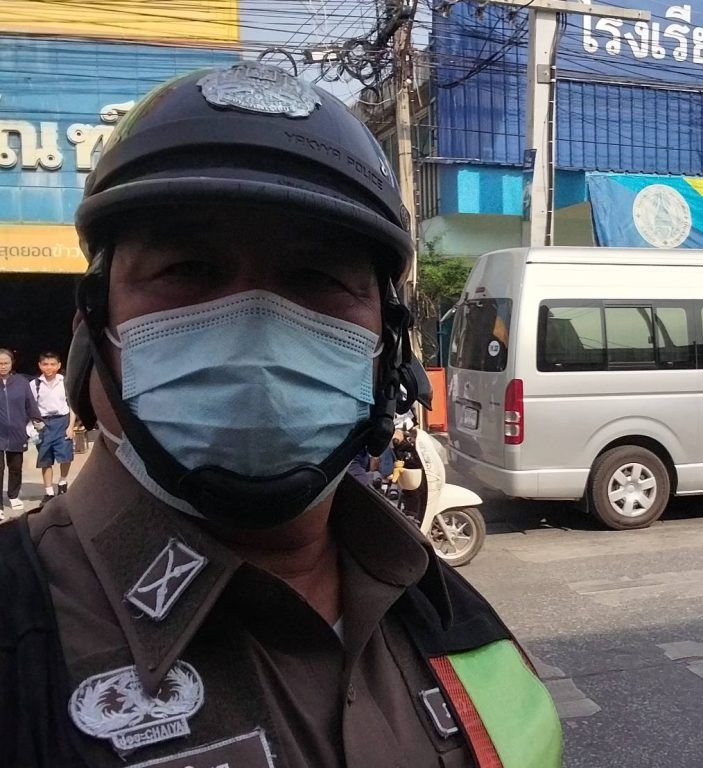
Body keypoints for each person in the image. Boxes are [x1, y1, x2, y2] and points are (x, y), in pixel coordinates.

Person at [0, 63, 561, 768]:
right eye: (187, 269)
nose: (256, 332)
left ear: (388, 350)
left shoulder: (455, 618)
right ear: (93, 328)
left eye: (316, 278)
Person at [32, 351, 79, 504]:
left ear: (59, 365)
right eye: (45, 364)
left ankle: (62, 482)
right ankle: (49, 492)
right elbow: (30, 406)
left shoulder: (65, 382)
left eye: (52, 364)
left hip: (62, 421)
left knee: (65, 455)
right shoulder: (35, 384)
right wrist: (34, 424)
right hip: (44, 423)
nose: (49, 367)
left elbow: (72, 405)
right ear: (40, 365)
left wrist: (71, 426)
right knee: (45, 458)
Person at [0, 348, 42, 516]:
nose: (3, 366)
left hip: (17, 432)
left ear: (12, 364)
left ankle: (13, 495)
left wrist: (37, 420)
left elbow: (30, 403)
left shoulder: (21, 382)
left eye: (6, 363)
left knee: (16, 467)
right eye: (0, 363)